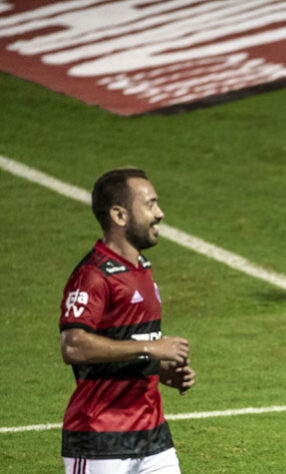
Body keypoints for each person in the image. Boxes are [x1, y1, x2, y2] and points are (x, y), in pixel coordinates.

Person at [59, 168, 195, 474]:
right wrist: (151, 349)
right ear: (120, 216)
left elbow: (126, 343)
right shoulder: (93, 275)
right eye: (150, 205)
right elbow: (74, 346)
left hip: (152, 437)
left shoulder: (142, 268)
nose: (159, 213)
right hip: (100, 439)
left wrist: (160, 372)